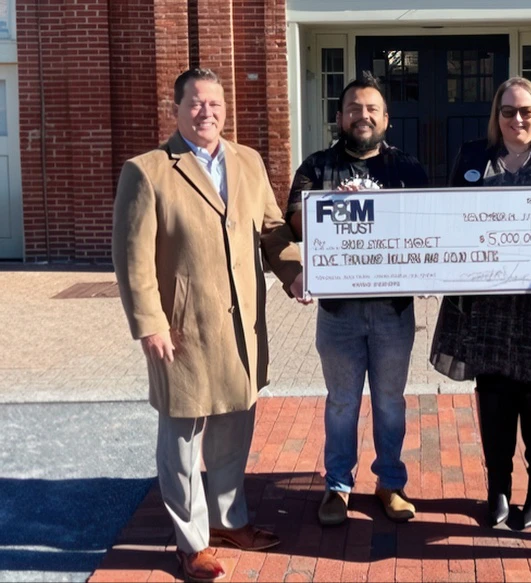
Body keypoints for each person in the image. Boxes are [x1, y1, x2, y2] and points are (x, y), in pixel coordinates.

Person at [112, 68, 307, 583]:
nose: (207, 113)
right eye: (196, 104)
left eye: (216, 104)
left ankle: (227, 520)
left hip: (243, 326)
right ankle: (192, 541)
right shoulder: (148, 170)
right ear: (175, 109)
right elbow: (131, 260)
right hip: (181, 328)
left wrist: (294, 276)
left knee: (234, 425)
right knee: (181, 437)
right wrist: (148, 323)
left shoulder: (248, 161)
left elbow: (270, 233)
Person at [429, 77, 531, 528]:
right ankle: (497, 489)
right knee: (494, 391)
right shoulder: (473, 156)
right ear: (495, 116)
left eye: (526, 111)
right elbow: (449, 221)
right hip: (487, 302)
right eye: (508, 111)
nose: (517, 119)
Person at [285, 74, 428, 526]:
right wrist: (335, 210)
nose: (361, 116)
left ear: (386, 118)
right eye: (353, 108)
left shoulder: (407, 168)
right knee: (341, 401)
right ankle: (338, 486)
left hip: (393, 310)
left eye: (371, 109)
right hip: (338, 312)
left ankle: (390, 482)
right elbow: (294, 223)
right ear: (339, 116)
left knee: (390, 400)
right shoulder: (316, 166)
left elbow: (430, 227)